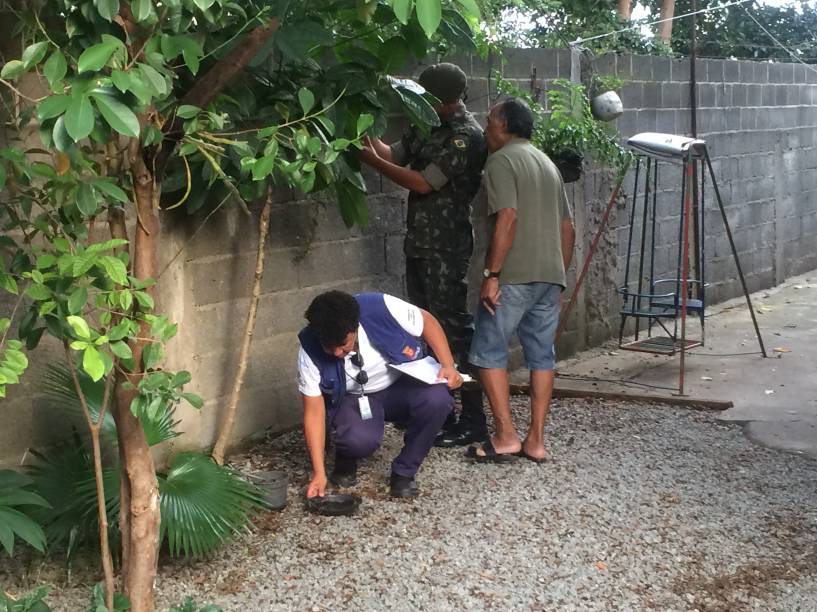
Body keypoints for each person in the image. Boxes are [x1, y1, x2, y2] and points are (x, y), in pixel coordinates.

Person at [359, 62, 488, 448]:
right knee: (423, 330)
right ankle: (439, 411)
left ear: (448, 100)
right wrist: (364, 135)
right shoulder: (427, 121)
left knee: (453, 332)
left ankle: (474, 420)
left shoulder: (467, 136)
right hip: (419, 243)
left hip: (446, 246)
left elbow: (423, 181)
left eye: (430, 99)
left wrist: (373, 163)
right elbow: (395, 153)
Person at [467, 98, 576, 463]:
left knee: (487, 351)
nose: (485, 128)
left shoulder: (501, 161)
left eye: (489, 120)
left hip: (513, 275)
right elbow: (567, 226)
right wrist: (558, 276)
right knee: (541, 357)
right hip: (549, 277)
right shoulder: (546, 163)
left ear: (505, 125)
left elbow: (508, 218)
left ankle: (505, 435)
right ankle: (536, 441)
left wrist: (492, 274)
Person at [298, 290, 463, 498]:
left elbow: (427, 321)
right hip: (353, 398)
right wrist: (319, 473)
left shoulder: (378, 306)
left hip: (399, 385)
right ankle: (346, 454)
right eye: (330, 349)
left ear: (355, 327)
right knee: (358, 440)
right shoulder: (309, 350)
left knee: (438, 399)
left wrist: (448, 365)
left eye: (343, 346)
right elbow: (313, 413)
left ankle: (404, 471)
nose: (338, 354)